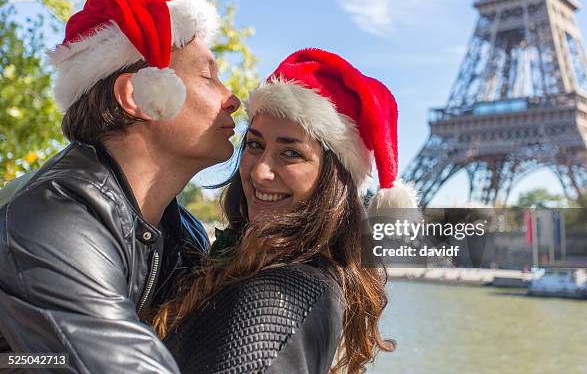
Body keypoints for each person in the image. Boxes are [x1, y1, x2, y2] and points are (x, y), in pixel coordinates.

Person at [0, 0, 240, 372]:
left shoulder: (185, 233)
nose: (232, 97)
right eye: (208, 76)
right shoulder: (52, 217)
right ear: (140, 95)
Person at [153, 48, 419, 373]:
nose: (259, 172)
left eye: (291, 153)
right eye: (254, 144)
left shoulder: (274, 299)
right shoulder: (273, 272)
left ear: (333, 175)